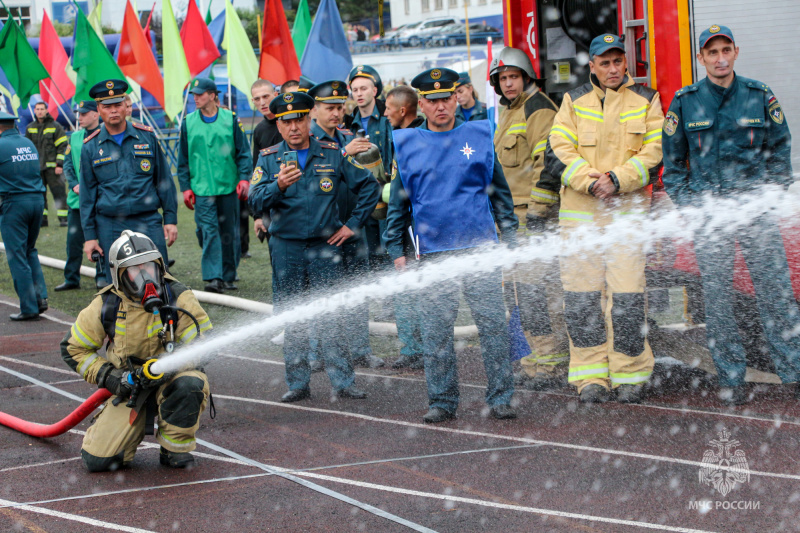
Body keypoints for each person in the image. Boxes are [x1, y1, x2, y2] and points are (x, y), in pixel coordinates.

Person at [662, 25, 799, 405]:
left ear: (736, 52)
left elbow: (780, 151)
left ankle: (794, 372)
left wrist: (767, 200)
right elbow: (672, 170)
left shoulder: (759, 95)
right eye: (712, 52)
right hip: (712, 220)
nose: (720, 58)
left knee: (776, 295)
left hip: (756, 214)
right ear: (701, 59)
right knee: (719, 300)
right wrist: (697, 208)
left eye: (726, 50)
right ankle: (731, 376)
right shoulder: (685, 102)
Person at [384, 68, 518, 423]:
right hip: (432, 251)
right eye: (433, 100)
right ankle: (442, 401)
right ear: (421, 104)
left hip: (481, 248)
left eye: (447, 98)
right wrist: (395, 249)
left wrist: (512, 239)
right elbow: (399, 203)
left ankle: (501, 397)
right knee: (436, 333)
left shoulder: (479, 134)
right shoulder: (408, 143)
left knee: (492, 327)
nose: (441, 106)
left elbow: (501, 195)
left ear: (457, 98)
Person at [543, 34, 664, 404]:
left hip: (627, 219)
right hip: (581, 220)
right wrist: (592, 181)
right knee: (582, 301)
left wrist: (618, 180)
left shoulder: (647, 99)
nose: (612, 69)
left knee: (627, 299)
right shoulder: (572, 101)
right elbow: (557, 148)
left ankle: (630, 373)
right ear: (591, 65)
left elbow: (655, 151)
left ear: (625, 63)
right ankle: (590, 376)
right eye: (604, 62)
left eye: (618, 61)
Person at [248, 92, 381, 402]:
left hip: (325, 246)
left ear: (309, 120)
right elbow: (254, 201)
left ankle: (343, 381)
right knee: (291, 316)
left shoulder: (333, 153)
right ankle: (297, 384)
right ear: (278, 125)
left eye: (299, 119)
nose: (294, 127)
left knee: (332, 315)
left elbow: (369, 187)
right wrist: (277, 185)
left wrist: (352, 225)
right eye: (286, 121)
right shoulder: (268, 158)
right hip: (286, 247)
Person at [61, 230, 212, 472]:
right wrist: (111, 378)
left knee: (190, 385)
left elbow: (205, 345)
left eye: (149, 267)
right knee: (98, 461)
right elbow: (73, 348)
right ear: (120, 276)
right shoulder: (107, 304)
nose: (145, 277)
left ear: (159, 266)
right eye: (135, 270)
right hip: (129, 385)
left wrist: (170, 365)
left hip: (173, 378)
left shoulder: (178, 296)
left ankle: (174, 448)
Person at [490, 47, 570, 391]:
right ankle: (533, 358)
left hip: (531, 218)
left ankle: (550, 362)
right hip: (511, 219)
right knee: (521, 294)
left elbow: (547, 164)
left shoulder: (538, 109)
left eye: (513, 77)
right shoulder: (511, 110)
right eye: (503, 78)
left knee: (538, 292)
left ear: (526, 77)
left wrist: (538, 213)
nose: (508, 84)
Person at [308, 80, 385, 370]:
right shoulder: (305, 139)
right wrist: (344, 154)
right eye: (330, 108)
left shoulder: (347, 135)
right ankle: (318, 353)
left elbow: (368, 183)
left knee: (357, 289)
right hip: (322, 232)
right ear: (314, 109)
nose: (337, 113)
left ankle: (360, 349)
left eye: (340, 107)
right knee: (321, 294)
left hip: (352, 227)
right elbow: (308, 178)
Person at [80, 79, 178, 281]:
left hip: (148, 220)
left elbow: (164, 181)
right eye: (107, 107)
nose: (113, 111)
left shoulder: (147, 137)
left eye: (118, 105)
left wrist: (170, 219)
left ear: (126, 106)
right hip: (110, 224)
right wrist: (90, 237)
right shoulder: (90, 147)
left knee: (159, 279)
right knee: (118, 284)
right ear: (99, 109)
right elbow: (87, 196)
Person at [178, 78, 252, 294]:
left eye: (200, 94)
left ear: (213, 95)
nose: (196, 98)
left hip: (229, 187)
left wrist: (244, 178)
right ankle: (213, 277)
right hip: (201, 189)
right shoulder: (188, 122)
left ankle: (228, 276)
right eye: (194, 94)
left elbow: (243, 152)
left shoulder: (231, 119)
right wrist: (185, 187)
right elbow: (182, 159)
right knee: (208, 231)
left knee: (229, 232)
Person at [383, 85, 424, 370]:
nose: (384, 113)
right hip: (415, 232)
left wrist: (396, 244)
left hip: (418, 233)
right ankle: (413, 349)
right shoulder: (406, 136)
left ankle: (420, 349)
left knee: (416, 293)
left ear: (402, 110)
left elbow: (399, 198)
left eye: (388, 108)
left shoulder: (412, 140)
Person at [0, 110, 48, 320]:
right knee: (30, 250)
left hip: (14, 204)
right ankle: (40, 298)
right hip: (37, 201)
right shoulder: (27, 143)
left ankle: (29, 307)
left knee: (17, 256)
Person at [57, 100, 106, 292]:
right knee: (73, 241)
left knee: (101, 241)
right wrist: (75, 184)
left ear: (96, 114)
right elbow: (68, 164)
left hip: (100, 200)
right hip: (77, 201)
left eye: (84, 114)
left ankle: (102, 277)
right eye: (79, 114)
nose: (80, 117)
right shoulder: (75, 137)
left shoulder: (105, 134)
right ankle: (71, 278)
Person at [26, 101, 68, 227]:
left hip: (53, 169)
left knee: (59, 193)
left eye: (42, 109)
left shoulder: (56, 126)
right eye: (37, 109)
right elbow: (27, 149)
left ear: (46, 110)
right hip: (37, 169)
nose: (39, 111)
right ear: (34, 111)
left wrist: (59, 164)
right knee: (39, 196)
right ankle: (42, 220)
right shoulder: (30, 127)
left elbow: (63, 146)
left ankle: (63, 219)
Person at [250, 80, 282, 243]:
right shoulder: (260, 130)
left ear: (275, 95)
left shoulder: (291, 121)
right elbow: (257, 171)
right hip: (271, 201)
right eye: (257, 99)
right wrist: (257, 215)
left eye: (265, 96)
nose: (262, 102)